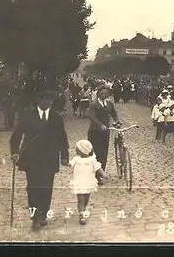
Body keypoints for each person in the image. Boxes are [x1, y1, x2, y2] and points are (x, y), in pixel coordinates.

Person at [9, 90, 70, 231]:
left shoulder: (57, 117)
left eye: (49, 99)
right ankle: (35, 217)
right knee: (33, 187)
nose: (46, 102)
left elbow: (63, 138)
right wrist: (15, 152)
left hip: (50, 157)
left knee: (47, 187)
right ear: (37, 100)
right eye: (43, 99)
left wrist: (64, 156)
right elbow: (16, 135)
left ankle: (43, 214)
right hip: (31, 158)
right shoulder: (27, 116)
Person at [86, 85, 120, 184]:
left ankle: (100, 174)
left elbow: (114, 113)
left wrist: (117, 121)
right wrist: (100, 125)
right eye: (102, 93)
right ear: (98, 94)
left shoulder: (109, 104)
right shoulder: (94, 104)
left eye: (106, 94)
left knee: (104, 153)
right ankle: (93, 174)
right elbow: (91, 116)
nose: (104, 95)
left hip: (105, 132)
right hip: (95, 131)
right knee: (95, 153)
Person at [68, 140, 106, 225]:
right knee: (80, 199)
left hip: (88, 183)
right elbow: (70, 164)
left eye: (77, 148)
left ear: (82, 150)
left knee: (86, 199)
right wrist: (65, 162)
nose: (75, 150)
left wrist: (103, 174)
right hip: (79, 183)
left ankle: (83, 209)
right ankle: (81, 215)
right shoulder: (76, 159)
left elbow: (98, 168)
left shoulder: (92, 160)